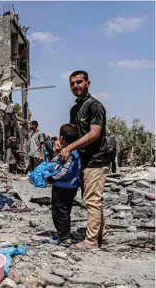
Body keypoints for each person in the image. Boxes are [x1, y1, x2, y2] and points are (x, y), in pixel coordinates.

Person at [60, 70, 108, 251]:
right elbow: (73, 133)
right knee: (92, 199)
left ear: (88, 83)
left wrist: (70, 148)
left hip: (95, 160)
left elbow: (95, 133)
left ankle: (91, 242)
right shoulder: (75, 109)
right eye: (72, 83)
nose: (75, 86)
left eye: (79, 82)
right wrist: (62, 141)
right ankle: (102, 236)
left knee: (93, 200)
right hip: (83, 160)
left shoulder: (95, 106)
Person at [45, 124, 81, 247]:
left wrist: (51, 178)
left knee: (60, 212)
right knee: (63, 211)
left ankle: (64, 238)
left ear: (61, 138)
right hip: (68, 186)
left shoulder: (69, 153)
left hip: (63, 186)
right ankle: (62, 234)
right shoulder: (71, 151)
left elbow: (64, 171)